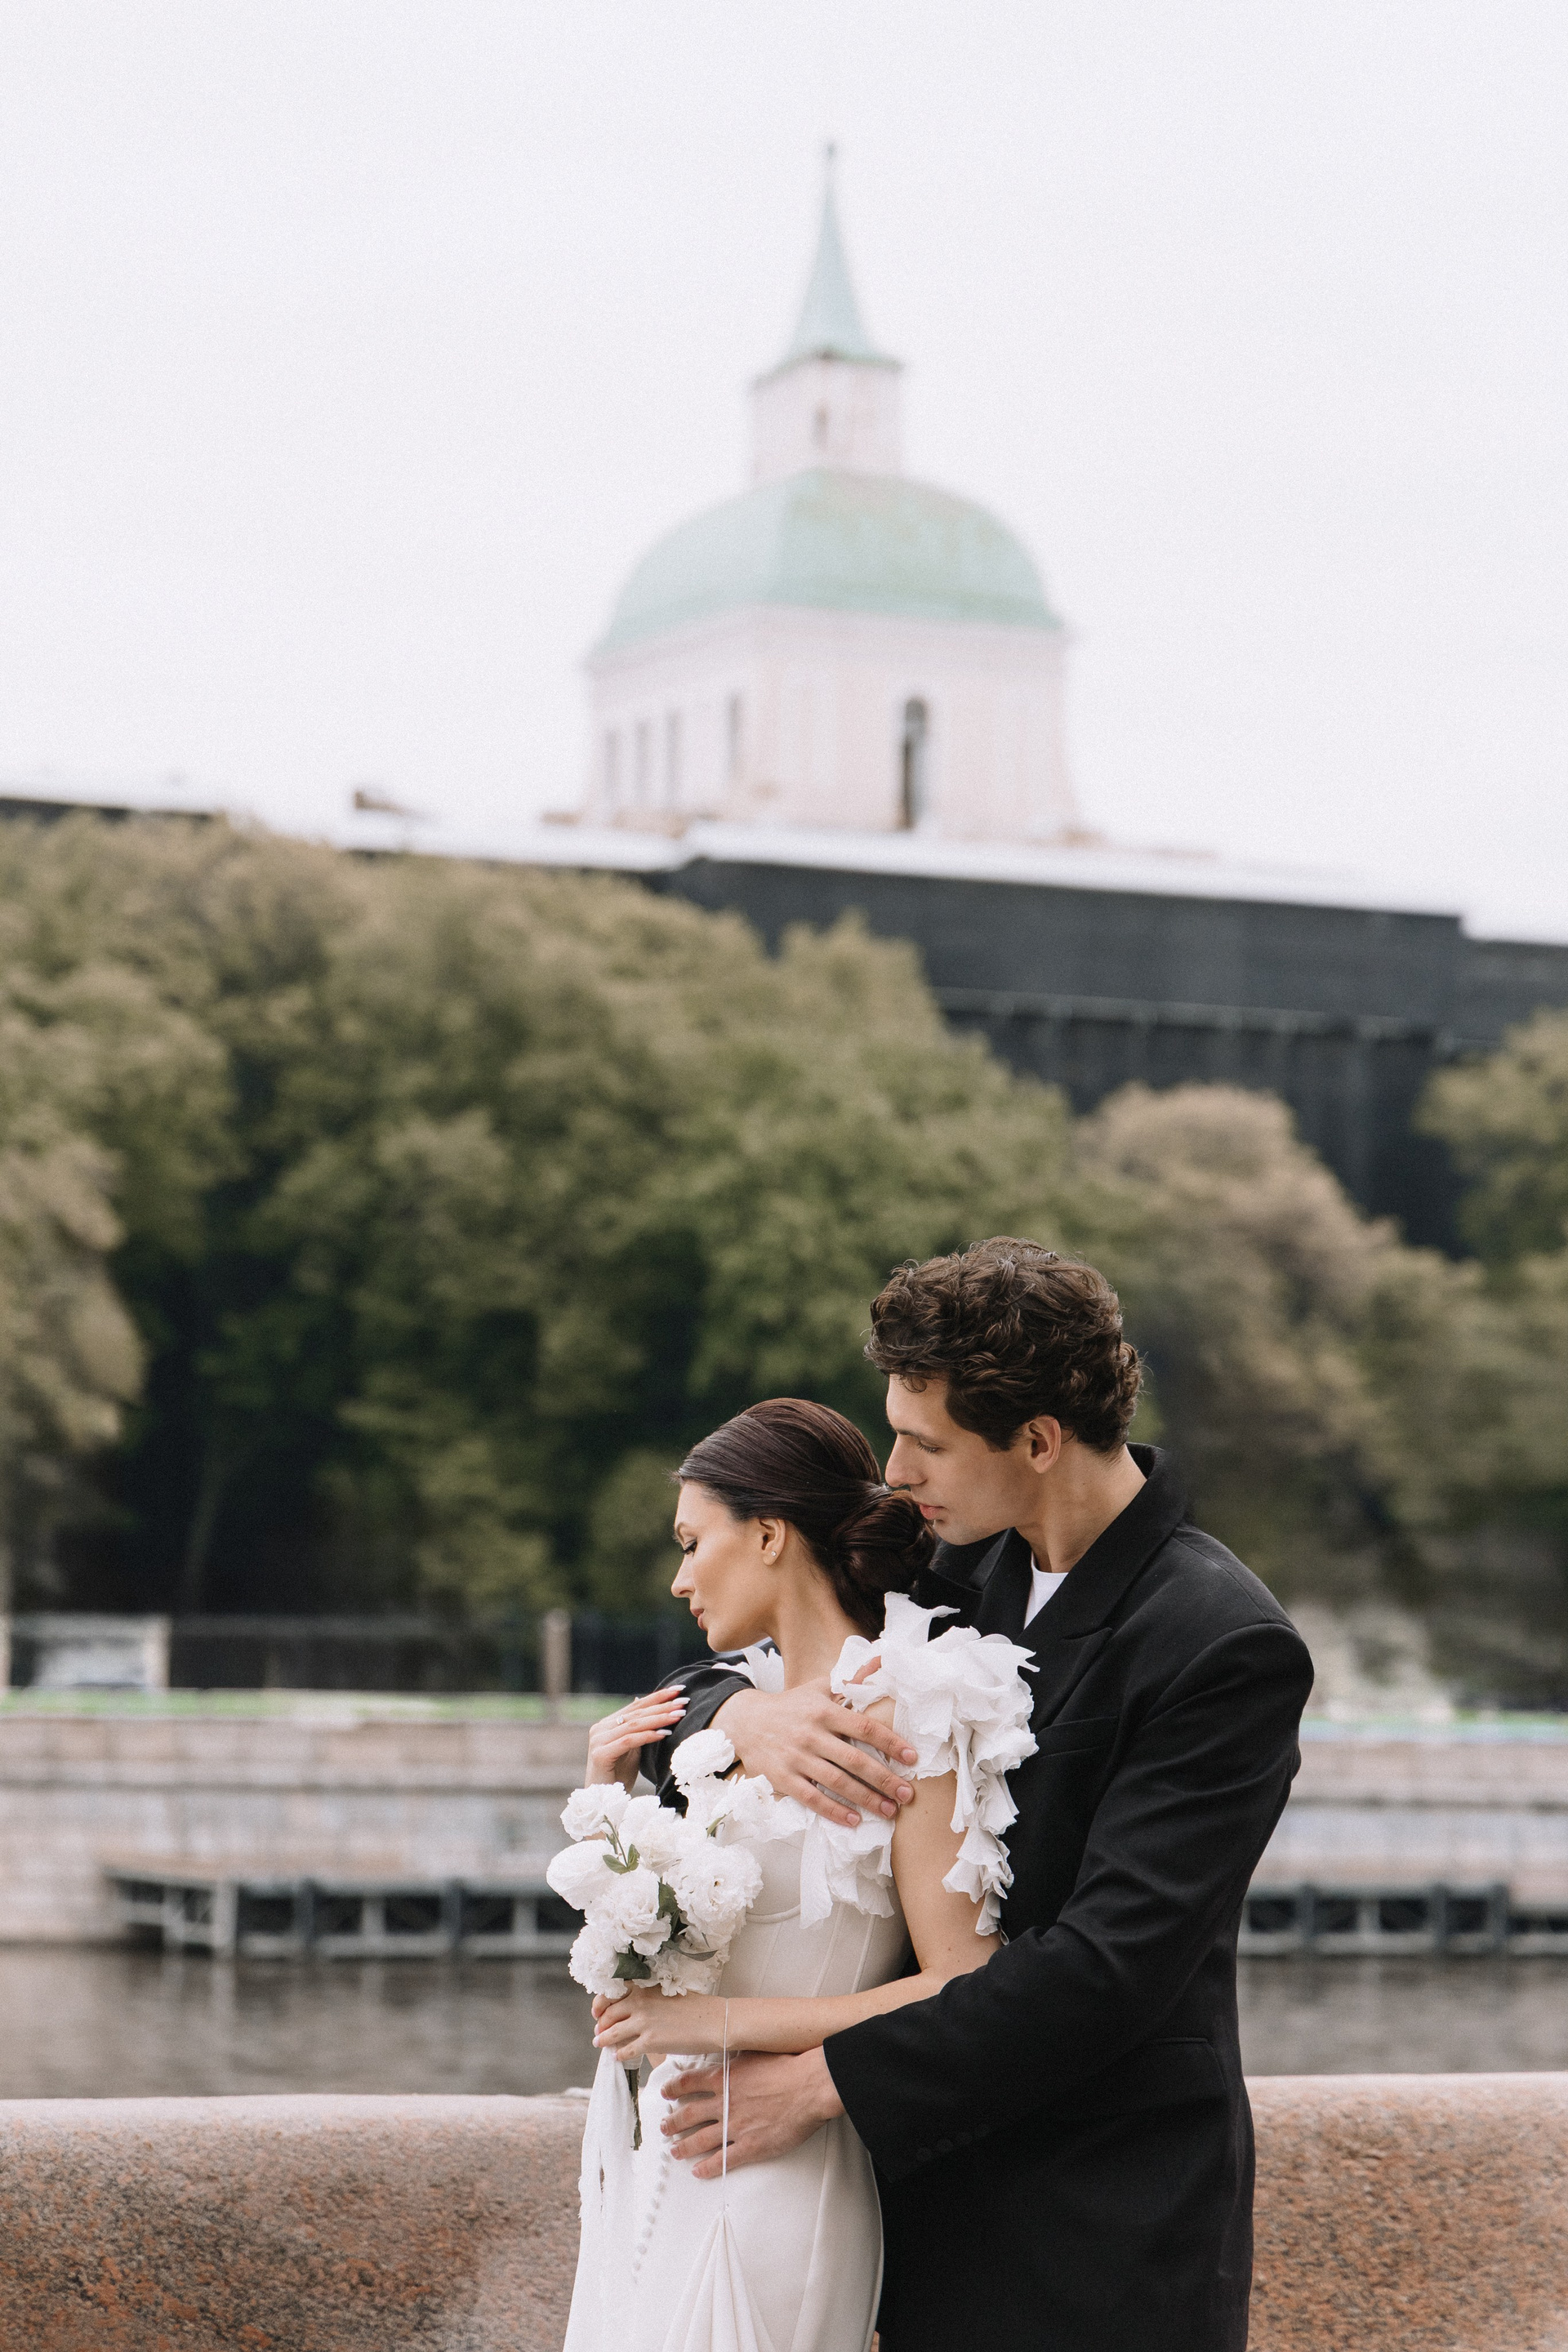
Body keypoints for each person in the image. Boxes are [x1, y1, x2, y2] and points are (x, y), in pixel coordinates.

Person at [646, 1239, 1315, 2352]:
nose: (896, 1473)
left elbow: (1106, 1968)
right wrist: (740, 1717)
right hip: (921, 2212)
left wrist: (825, 2082)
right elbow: (719, 1663)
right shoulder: (942, 1563)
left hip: (1106, 2222)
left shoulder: (1223, 1642)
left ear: (1039, 1442)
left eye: (926, 1444)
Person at [559, 1396, 1038, 2352]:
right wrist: (606, 1797)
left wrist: (715, 2024)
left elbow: (961, 1981)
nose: (678, 1579)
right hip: (668, 2154)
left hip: (784, 2171)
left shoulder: (919, 1707)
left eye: (693, 1543)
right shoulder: (736, 1713)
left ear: (770, 1534)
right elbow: (647, 1976)